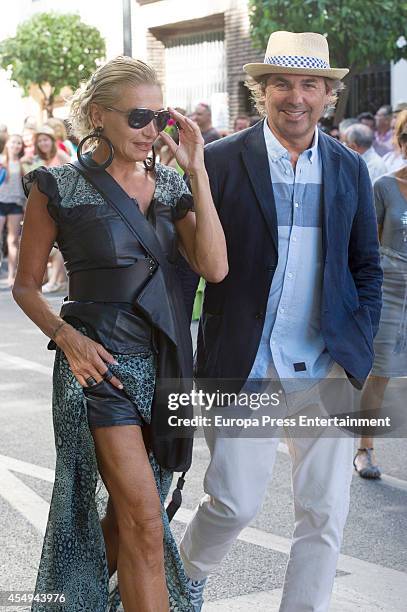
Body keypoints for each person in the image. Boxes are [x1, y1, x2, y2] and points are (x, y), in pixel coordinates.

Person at [12, 55, 227, 612]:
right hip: (97, 368)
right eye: (138, 117)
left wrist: (198, 171)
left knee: (130, 519)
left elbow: (215, 267)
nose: (152, 130)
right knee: (147, 523)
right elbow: (27, 287)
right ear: (97, 115)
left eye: (160, 117)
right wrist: (67, 337)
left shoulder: (173, 186)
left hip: (164, 365)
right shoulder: (55, 185)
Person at [180, 30, 382, 612]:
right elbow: (190, 266)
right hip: (246, 366)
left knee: (324, 515)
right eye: (282, 84)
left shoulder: (349, 168)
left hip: (325, 370)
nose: (296, 97)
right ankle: (182, 579)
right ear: (262, 91)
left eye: (309, 85)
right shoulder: (218, 161)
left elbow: (366, 268)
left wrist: (356, 350)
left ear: (327, 96)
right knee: (232, 503)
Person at [354, 109, 407, 479]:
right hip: (391, 293)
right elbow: (369, 248)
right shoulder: (385, 187)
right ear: (401, 144)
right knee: (382, 373)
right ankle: (364, 447)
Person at [32, 126, 71, 293]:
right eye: (40, 141)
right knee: (53, 243)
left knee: (60, 244)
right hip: (50, 206)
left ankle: (57, 281)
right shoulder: (42, 161)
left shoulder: (60, 155)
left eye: (45, 139)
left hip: (64, 204)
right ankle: (56, 280)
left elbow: (74, 177)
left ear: (52, 140)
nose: (43, 143)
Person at [0, 134, 26, 287]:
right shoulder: (1, 160)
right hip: (1, 202)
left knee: (12, 240)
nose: (15, 145)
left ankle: (11, 275)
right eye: (13, 142)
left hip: (16, 203)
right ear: (7, 144)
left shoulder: (23, 163)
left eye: (19, 143)